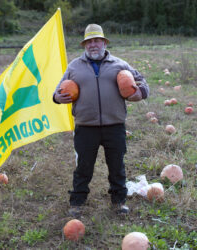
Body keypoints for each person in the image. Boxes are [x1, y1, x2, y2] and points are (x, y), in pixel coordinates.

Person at [53, 24, 149, 217]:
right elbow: (58, 91)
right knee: (84, 166)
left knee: (116, 165)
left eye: (97, 40)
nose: (93, 45)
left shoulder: (120, 65)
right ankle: (77, 201)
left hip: (115, 125)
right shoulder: (74, 67)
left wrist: (141, 92)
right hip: (85, 127)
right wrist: (57, 97)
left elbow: (142, 82)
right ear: (84, 45)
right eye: (89, 41)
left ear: (104, 42)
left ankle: (119, 200)